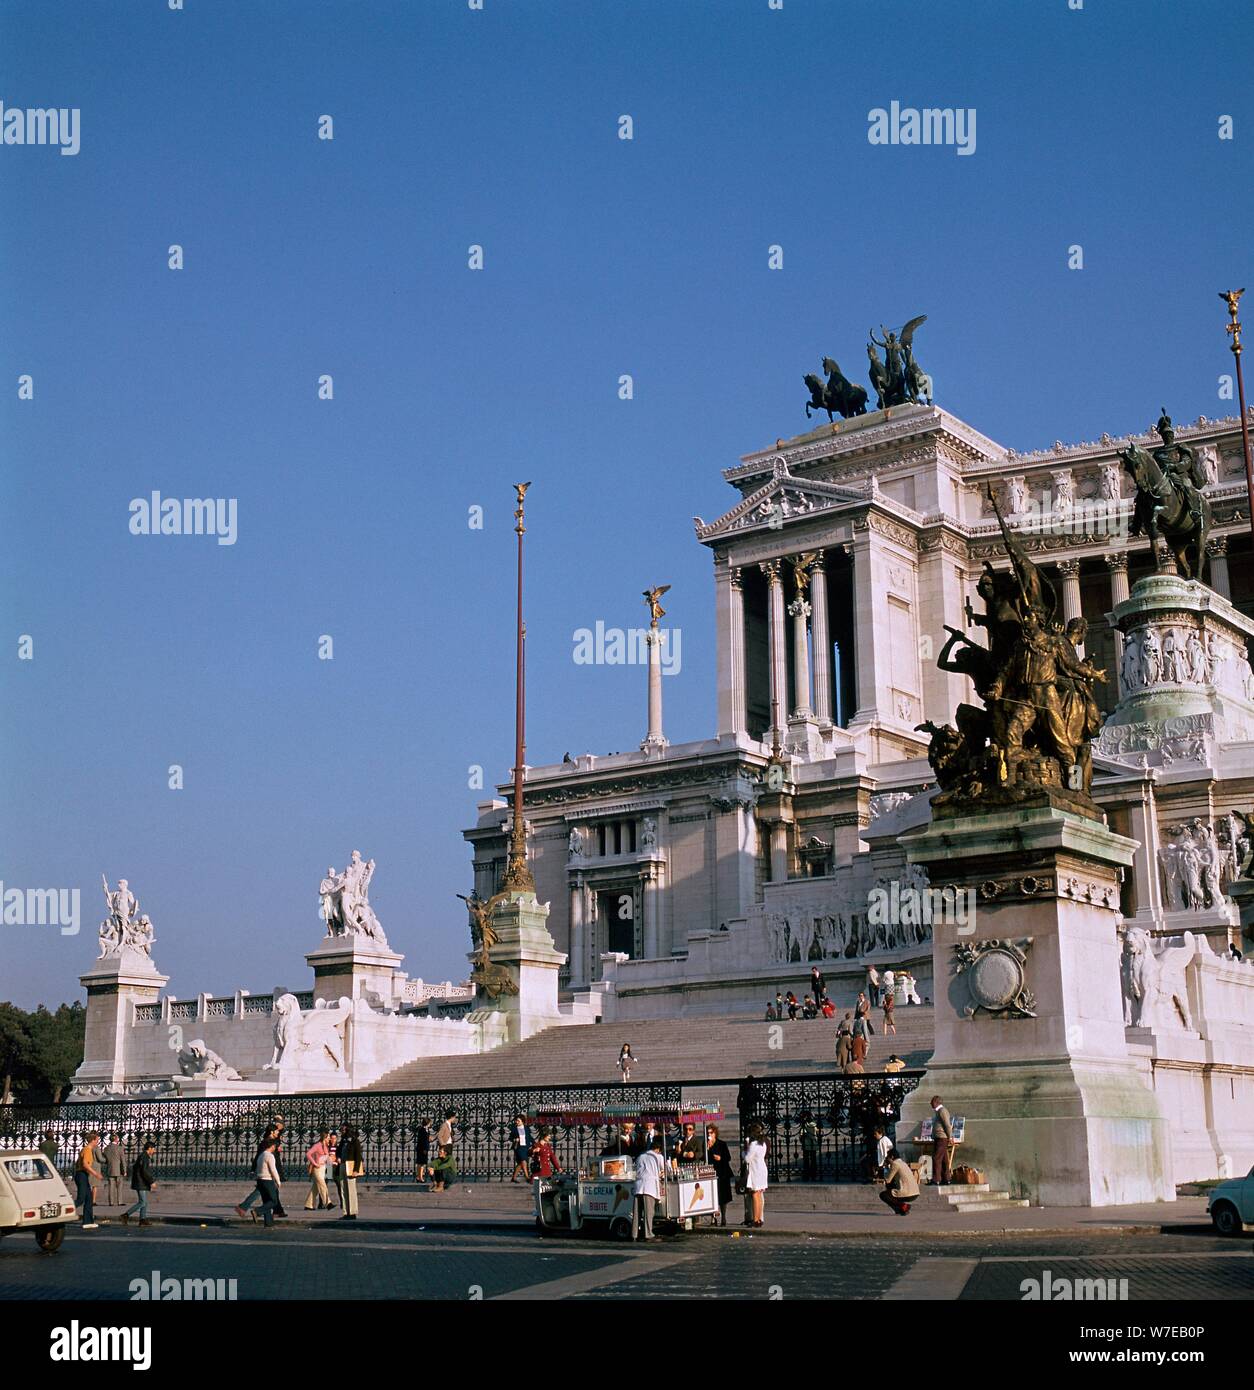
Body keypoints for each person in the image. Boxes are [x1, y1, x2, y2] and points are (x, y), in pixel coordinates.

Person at [632, 1136, 665, 1241]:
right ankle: (648, 1234)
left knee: (636, 1213)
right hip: (649, 1187)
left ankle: (634, 1234)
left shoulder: (641, 1156)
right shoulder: (658, 1157)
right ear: (659, 1149)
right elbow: (664, 1169)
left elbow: (636, 1169)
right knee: (648, 1212)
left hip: (638, 1186)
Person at [121, 1141, 157, 1226]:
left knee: (144, 1202)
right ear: (150, 1148)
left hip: (140, 1181)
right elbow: (144, 1171)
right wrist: (151, 1181)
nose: (154, 1151)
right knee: (142, 1202)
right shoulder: (144, 1157)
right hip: (141, 1182)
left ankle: (142, 1219)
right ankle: (126, 1215)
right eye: (154, 1149)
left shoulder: (143, 1156)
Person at [879, 1147, 920, 1216]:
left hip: (907, 1193)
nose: (887, 1159)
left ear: (891, 1157)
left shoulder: (895, 1164)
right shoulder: (903, 1163)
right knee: (892, 1187)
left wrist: (886, 1167)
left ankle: (903, 1206)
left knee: (883, 1195)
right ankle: (900, 1210)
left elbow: (888, 1180)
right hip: (915, 1192)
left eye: (887, 1157)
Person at [706, 1125, 733, 1226]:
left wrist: (720, 1158)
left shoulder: (721, 1144)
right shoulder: (706, 1145)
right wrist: (708, 1149)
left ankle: (724, 1217)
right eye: (708, 1133)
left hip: (722, 1172)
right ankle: (713, 1218)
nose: (710, 1135)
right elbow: (703, 1159)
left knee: (723, 1197)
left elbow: (728, 1157)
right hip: (711, 1172)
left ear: (715, 1133)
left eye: (711, 1133)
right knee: (712, 1196)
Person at [742, 1122, 768, 1227]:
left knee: (755, 1194)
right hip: (762, 1169)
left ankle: (756, 1219)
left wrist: (743, 1152)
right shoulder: (763, 1143)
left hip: (756, 1170)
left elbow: (747, 1159)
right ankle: (759, 1219)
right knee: (759, 1194)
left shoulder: (753, 1144)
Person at [74, 1132, 101, 1230]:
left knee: (89, 1198)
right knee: (81, 1199)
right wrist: (96, 1174)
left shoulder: (86, 1150)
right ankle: (65, 1211)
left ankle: (88, 1221)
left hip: (82, 1175)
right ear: (93, 1140)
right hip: (81, 1175)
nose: (98, 1142)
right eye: (97, 1140)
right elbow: (85, 1164)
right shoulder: (87, 1150)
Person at [254, 1138, 282, 1228]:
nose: (275, 1148)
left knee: (266, 1201)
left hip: (260, 1180)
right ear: (272, 1146)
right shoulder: (269, 1156)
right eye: (275, 1146)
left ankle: (268, 1223)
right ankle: (257, 1211)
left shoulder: (261, 1155)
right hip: (267, 1180)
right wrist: (278, 1181)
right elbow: (273, 1170)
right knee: (274, 1201)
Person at [339, 1123, 364, 1218]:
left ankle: (353, 1211)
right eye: (341, 1130)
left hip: (350, 1166)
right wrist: (338, 1157)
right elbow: (338, 1151)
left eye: (343, 1130)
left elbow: (358, 1156)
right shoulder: (343, 1140)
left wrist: (356, 1170)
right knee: (343, 1190)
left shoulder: (355, 1141)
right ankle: (346, 1212)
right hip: (342, 1165)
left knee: (351, 1190)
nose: (342, 1131)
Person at [930, 1096, 954, 1185]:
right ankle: (946, 1178)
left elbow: (947, 1125)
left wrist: (950, 1137)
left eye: (932, 1101)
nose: (930, 1103)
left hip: (942, 1137)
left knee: (936, 1158)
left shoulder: (942, 1111)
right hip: (938, 1137)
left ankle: (936, 1179)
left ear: (936, 1102)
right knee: (944, 1159)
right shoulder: (938, 1112)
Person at [305, 1130, 331, 1210]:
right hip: (317, 1169)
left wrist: (329, 1172)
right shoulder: (317, 1145)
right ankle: (328, 1203)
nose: (329, 1139)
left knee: (315, 1188)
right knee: (323, 1185)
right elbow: (308, 1154)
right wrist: (315, 1163)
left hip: (323, 1169)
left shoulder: (325, 1146)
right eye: (328, 1137)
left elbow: (327, 1158)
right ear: (325, 1137)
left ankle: (308, 1205)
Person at [102, 1133, 126, 1206]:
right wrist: (124, 1170)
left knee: (111, 1187)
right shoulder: (120, 1148)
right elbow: (123, 1161)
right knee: (119, 1186)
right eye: (117, 1138)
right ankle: (120, 1202)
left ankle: (111, 1202)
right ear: (116, 1139)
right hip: (118, 1170)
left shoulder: (106, 1148)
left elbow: (105, 1160)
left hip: (110, 1169)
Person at [510, 1114, 532, 1183]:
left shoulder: (526, 1128)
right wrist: (514, 1140)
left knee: (520, 1163)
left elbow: (529, 1137)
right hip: (518, 1148)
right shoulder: (514, 1129)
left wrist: (535, 1143)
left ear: (522, 1121)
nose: (516, 1122)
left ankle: (513, 1178)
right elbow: (510, 1138)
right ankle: (527, 1177)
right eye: (516, 1120)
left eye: (518, 1121)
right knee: (523, 1161)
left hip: (525, 1147)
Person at [799, 1111, 819, 1181]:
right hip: (813, 1144)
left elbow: (802, 1134)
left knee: (806, 1160)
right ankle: (813, 1174)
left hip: (806, 1144)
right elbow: (817, 1132)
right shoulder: (814, 1124)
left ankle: (806, 1173)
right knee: (813, 1159)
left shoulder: (805, 1124)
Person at [325, 1129, 341, 1208]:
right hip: (329, 1166)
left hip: (336, 1166)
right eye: (332, 1138)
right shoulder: (327, 1146)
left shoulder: (338, 1147)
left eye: (335, 1138)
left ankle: (342, 1202)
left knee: (339, 1184)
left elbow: (339, 1155)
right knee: (325, 1184)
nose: (333, 1140)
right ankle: (322, 1203)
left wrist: (336, 1158)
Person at [413, 1118, 430, 1184]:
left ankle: (418, 1177)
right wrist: (425, 1149)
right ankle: (420, 1178)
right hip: (422, 1149)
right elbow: (424, 1141)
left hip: (420, 1148)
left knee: (419, 1163)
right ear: (428, 1123)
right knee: (422, 1164)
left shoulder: (422, 1129)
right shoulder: (423, 1130)